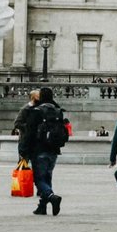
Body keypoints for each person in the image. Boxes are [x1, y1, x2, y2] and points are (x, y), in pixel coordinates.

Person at [19, 87, 70, 215]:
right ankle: (42, 206)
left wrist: (23, 150)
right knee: (47, 177)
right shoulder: (58, 111)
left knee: (39, 179)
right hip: (54, 149)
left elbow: (29, 133)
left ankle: (52, 197)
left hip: (38, 149)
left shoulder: (36, 111)